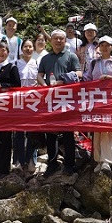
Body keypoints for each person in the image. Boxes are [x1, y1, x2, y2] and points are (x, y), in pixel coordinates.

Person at [36, 29, 82, 177]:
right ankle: (52, 163)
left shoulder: (71, 56)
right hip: (50, 98)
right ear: (51, 41)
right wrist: (44, 86)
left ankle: (69, 163)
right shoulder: (45, 58)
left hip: (67, 98)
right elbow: (39, 75)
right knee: (51, 132)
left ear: (65, 41)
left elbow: (80, 73)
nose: (58, 41)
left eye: (61, 39)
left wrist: (65, 78)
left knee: (68, 132)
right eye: (55, 38)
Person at [82, 35, 112, 173]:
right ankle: (98, 159)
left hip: (111, 99)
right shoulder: (93, 63)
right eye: (102, 45)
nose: (105, 47)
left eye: (108, 45)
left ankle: (107, 160)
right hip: (96, 99)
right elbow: (86, 79)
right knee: (97, 129)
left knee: (108, 129)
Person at [0, 41, 21, 178]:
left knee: (5, 137)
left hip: (6, 106)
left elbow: (16, 85)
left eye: (4, 50)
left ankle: (3, 170)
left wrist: (2, 85)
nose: (1, 52)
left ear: (8, 52)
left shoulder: (12, 67)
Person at [16, 39, 40, 172]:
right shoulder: (16, 63)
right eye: (25, 46)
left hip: (33, 102)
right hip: (19, 101)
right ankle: (19, 160)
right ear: (21, 48)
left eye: (30, 47)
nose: (28, 49)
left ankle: (32, 160)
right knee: (19, 132)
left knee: (32, 132)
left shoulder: (37, 63)